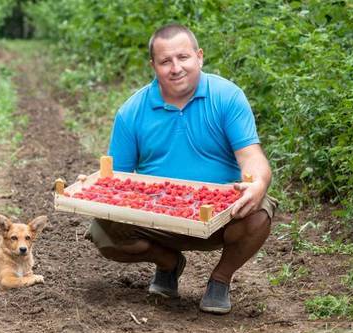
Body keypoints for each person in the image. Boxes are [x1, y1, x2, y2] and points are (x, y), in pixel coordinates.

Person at [87, 24, 277, 314]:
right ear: (153, 66)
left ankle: (220, 279)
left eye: (183, 58)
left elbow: (252, 156)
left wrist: (258, 182)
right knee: (103, 231)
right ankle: (168, 263)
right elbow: (118, 180)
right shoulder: (132, 111)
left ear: (199, 57)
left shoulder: (227, 97)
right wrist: (96, 186)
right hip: (156, 218)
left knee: (259, 210)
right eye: (165, 61)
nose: (176, 68)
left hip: (219, 216)